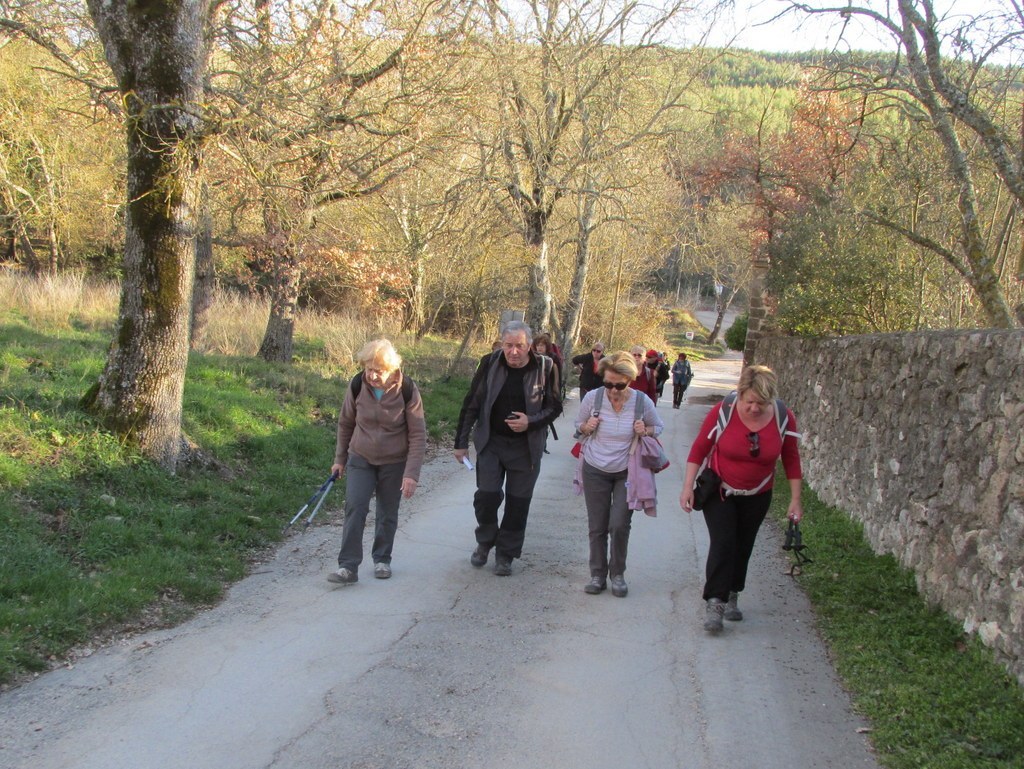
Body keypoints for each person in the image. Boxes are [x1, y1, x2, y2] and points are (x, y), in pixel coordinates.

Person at [679, 365, 803, 632]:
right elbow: (700, 447)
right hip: (720, 490)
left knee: (743, 546)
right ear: (740, 394)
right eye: (749, 402)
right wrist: (688, 486)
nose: (755, 408)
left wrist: (795, 499)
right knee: (723, 543)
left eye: (762, 403)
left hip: (758, 494)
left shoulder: (783, 417)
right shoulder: (723, 411)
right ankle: (715, 601)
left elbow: (791, 458)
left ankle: (733, 592)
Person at [455, 321, 563, 576]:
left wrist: (531, 421)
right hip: (491, 443)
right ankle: (486, 540)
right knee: (486, 496)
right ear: (502, 344)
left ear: (529, 346)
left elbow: (555, 406)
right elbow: (472, 402)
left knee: (518, 503)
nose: (514, 351)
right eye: (509, 345)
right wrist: (460, 443)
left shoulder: (546, 367)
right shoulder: (490, 363)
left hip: (526, 447)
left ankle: (506, 554)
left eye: (520, 346)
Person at [328, 339, 426, 585]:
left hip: (394, 461)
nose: (372, 375)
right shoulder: (357, 385)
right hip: (360, 457)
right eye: (368, 369)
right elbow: (345, 423)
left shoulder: (408, 390)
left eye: (378, 371)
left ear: (391, 369)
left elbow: (418, 434)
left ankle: (382, 558)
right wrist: (339, 459)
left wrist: (411, 474)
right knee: (355, 508)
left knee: (387, 512)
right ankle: (347, 567)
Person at [574, 351, 663, 598]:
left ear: (630, 380)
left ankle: (618, 574)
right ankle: (597, 574)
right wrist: (586, 427)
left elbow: (659, 427)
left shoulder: (641, 401)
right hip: (594, 468)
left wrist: (645, 429)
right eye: (608, 383)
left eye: (619, 385)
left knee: (620, 524)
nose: (613, 390)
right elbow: (577, 425)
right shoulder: (593, 398)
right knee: (597, 525)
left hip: (627, 471)